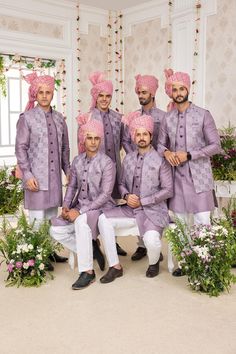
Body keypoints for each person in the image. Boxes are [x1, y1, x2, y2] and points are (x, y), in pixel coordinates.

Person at [158, 69, 221, 276]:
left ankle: (206, 263)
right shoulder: (167, 118)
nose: (178, 92)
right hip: (177, 179)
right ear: (171, 93)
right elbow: (160, 145)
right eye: (174, 89)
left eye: (181, 88)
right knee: (183, 223)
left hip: (200, 177)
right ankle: (186, 262)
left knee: (203, 221)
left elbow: (215, 145)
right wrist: (167, 153)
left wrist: (190, 155)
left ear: (188, 89)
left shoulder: (203, 114)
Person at [98, 112, 173, 279]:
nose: (141, 137)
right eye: (138, 134)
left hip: (153, 211)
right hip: (130, 209)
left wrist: (144, 201)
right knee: (103, 219)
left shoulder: (161, 160)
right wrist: (126, 196)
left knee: (152, 240)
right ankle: (114, 265)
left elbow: (168, 189)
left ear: (150, 136)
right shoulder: (129, 159)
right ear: (133, 137)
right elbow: (121, 184)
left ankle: (154, 262)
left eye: (145, 134)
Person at [50, 119, 117, 290]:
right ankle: (91, 249)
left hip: (102, 207)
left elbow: (106, 194)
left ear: (100, 140)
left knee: (81, 221)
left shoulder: (107, 163)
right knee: (55, 229)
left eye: (96, 138)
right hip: (80, 206)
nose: (93, 142)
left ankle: (87, 272)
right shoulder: (77, 161)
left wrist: (80, 212)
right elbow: (72, 186)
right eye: (89, 138)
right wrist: (66, 206)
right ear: (83, 140)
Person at [15, 72, 70, 269]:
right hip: (36, 179)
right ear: (35, 94)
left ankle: (49, 252)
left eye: (48, 92)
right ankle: (36, 257)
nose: (45, 96)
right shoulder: (27, 118)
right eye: (41, 92)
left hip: (54, 179)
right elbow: (20, 148)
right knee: (37, 220)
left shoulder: (59, 118)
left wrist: (68, 171)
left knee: (50, 218)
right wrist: (27, 175)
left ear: (52, 94)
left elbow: (65, 148)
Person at [77, 71, 127, 256]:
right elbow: (81, 146)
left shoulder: (117, 117)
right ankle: (94, 241)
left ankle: (112, 241)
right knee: (95, 204)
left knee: (112, 206)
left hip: (114, 168)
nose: (105, 99)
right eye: (101, 96)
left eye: (108, 96)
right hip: (94, 171)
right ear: (95, 97)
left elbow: (123, 142)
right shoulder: (87, 118)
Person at [122, 74, 166, 262]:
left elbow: (166, 140)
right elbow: (125, 139)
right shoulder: (133, 116)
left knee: (153, 203)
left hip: (157, 165)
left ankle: (153, 239)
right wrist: (136, 157)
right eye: (139, 92)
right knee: (136, 201)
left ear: (153, 93)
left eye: (144, 92)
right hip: (135, 165)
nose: (141, 95)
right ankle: (142, 245)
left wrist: (151, 158)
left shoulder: (163, 117)